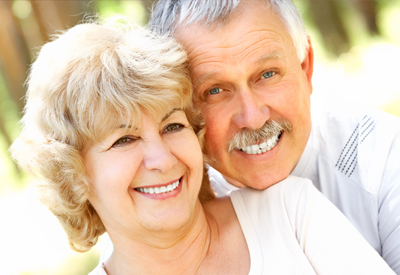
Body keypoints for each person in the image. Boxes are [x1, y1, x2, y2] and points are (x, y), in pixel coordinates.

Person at [10, 21, 395, 274]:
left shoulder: (291, 213)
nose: (162, 159)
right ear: (73, 174)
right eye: (124, 139)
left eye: (173, 125)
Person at [148, 0, 400, 272]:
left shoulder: (384, 157)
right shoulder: (162, 201)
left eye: (267, 74)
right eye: (214, 91)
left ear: (306, 67)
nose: (253, 118)